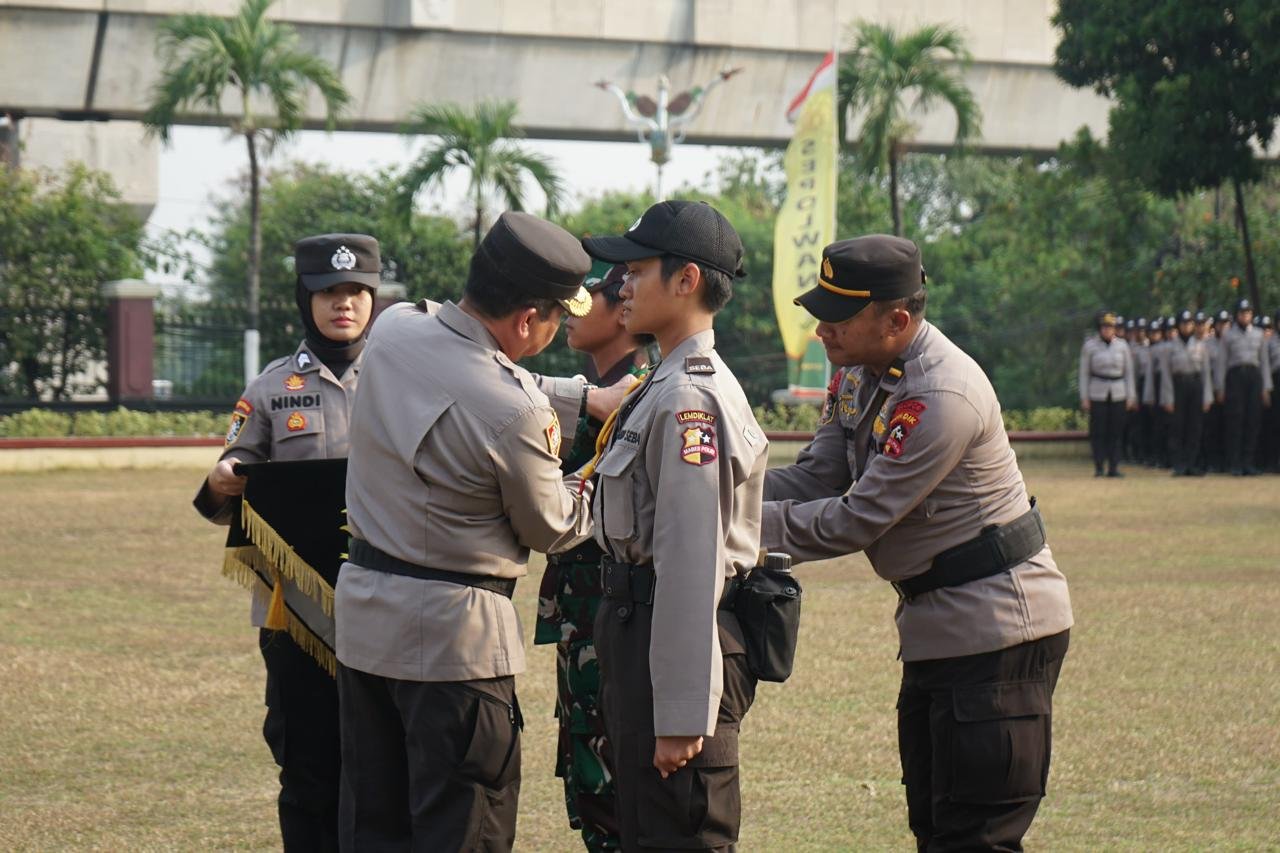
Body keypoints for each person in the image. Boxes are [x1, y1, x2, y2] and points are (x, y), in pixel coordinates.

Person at [761, 235, 1072, 852]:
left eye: (837, 316)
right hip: (941, 629)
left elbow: (855, 518)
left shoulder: (939, 395)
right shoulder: (860, 372)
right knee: (936, 829)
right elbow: (815, 475)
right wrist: (714, 494)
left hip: (996, 635)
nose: (821, 329)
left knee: (973, 838)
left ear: (897, 319)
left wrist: (723, 526)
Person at [333, 212, 605, 851]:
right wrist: (601, 472)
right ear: (526, 320)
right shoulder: (516, 409)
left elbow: (466, 368)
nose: (558, 330)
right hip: (455, 648)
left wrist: (580, 398)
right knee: (462, 832)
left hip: (366, 625)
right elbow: (555, 527)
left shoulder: (395, 329)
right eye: (557, 319)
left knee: (374, 828)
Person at [581, 200, 769, 851]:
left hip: (675, 642)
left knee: (679, 831)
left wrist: (684, 711)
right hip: (642, 636)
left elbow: (692, 559)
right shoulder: (664, 383)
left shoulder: (689, 397)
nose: (620, 286)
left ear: (686, 279)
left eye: (634, 270)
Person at [193, 233, 382, 852]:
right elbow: (228, 490)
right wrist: (222, 481)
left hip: (387, 603)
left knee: (383, 762)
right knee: (305, 760)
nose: (344, 304)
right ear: (307, 300)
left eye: (356, 291)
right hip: (294, 612)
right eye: (329, 292)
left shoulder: (402, 378)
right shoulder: (271, 388)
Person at [533, 260, 652, 852]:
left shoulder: (642, 393)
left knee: (621, 792)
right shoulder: (591, 393)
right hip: (582, 619)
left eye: (592, 297)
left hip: (616, 618)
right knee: (590, 786)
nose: (574, 311)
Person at [1216, 298, 1272, 476]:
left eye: (1248, 312)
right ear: (1237, 315)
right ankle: (1235, 463)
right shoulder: (1228, 335)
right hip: (1235, 377)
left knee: (1252, 420)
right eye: (1242, 312)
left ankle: (1248, 462)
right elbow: (1221, 363)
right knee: (1236, 420)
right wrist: (1220, 388)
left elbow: (1264, 362)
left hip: (1254, 377)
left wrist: (1266, 388)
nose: (1245, 315)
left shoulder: (1258, 334)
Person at [1078, 310, 1137, 477]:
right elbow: (1084, 373)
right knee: (1098, 431)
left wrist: (1130, 396)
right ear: (1099, 328)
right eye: (1104, 327)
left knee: (1116, 431)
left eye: (1110, 327)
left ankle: (1114, 467)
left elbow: (1129, 373)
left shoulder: (1122, 346)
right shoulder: (1090, 346)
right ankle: (1098, 466)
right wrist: (1085, 397)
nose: (1107, 330)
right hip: (1097, 392)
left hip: (1118, 392)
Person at [1163, 309, 1213, 476]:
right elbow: (1166, 375)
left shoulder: (1201, 344)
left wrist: (1207, 396)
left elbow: (1206, 372)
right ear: (1178, 325)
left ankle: (1191, 463)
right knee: (1178, 426)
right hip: (1178, 386)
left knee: (1195, 426)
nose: (1187, 326)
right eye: (1184, 323)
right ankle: (1179, 464)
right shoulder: (1169, 346)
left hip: (1196, 385)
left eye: (1190, 323)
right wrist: (1168, 398)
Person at [1203, 309, 1232, 473]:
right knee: (1212, 427)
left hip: (1232, 389)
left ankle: (1227, 461)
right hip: (1213, 389)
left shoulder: (1233, 341)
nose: (1224, 327)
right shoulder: (1208, 343)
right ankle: (1212, 461)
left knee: (1228, 427)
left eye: (1227, 323)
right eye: (1221, 324)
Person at [1142, 317, 1171, 467]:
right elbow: (1149, 375)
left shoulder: (1172, 346)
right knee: (1158, 425)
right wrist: (1150, 396)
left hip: (1174, 385)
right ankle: (1158, 456)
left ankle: (1169, 456)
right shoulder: (1152, 350)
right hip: (1158, 385)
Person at [1127, 317, 1150, 464]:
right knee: (1136, 424)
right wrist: (1133, 395)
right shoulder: (1130, 349)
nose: (1141, 333)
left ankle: (1147, 452)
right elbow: (1132, 375)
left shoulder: (1150, 346)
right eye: (1138, 330)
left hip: (1151, 385)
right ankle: (1137, 453)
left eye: (1143, 330)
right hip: (1137, 386)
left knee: (1149, 422)